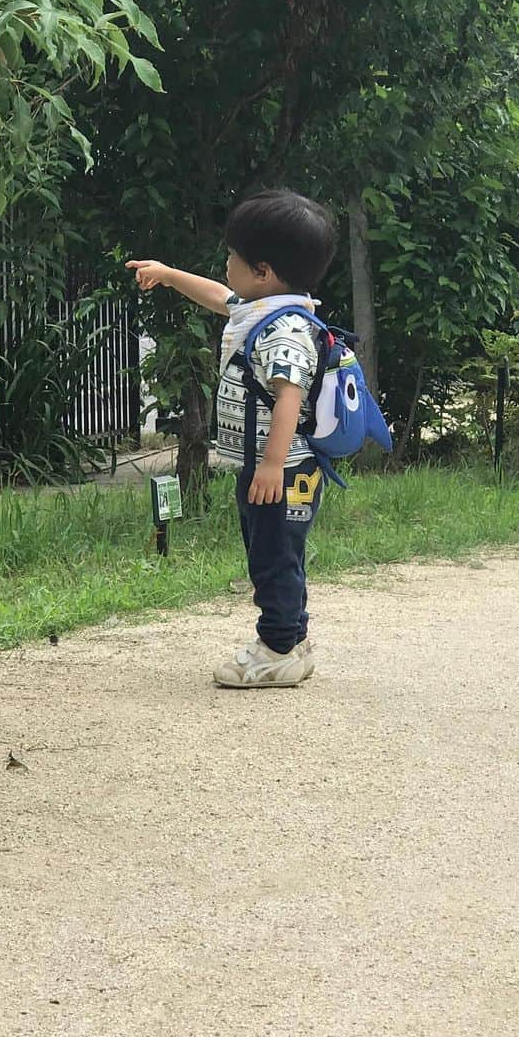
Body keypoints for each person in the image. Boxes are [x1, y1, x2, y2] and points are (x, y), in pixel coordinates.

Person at [127, 189, 338, 688]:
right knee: (277, 552)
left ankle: (277, 648)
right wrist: (168, 273)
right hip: (274, 466)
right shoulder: (262, 309)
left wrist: (270, 466)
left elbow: (289, 398)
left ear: (262, 271)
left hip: (281, 469)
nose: (226, 265)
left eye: (234, 258)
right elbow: (219, 297)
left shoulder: (283, 328)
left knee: (273, 557)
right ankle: (293, 639)